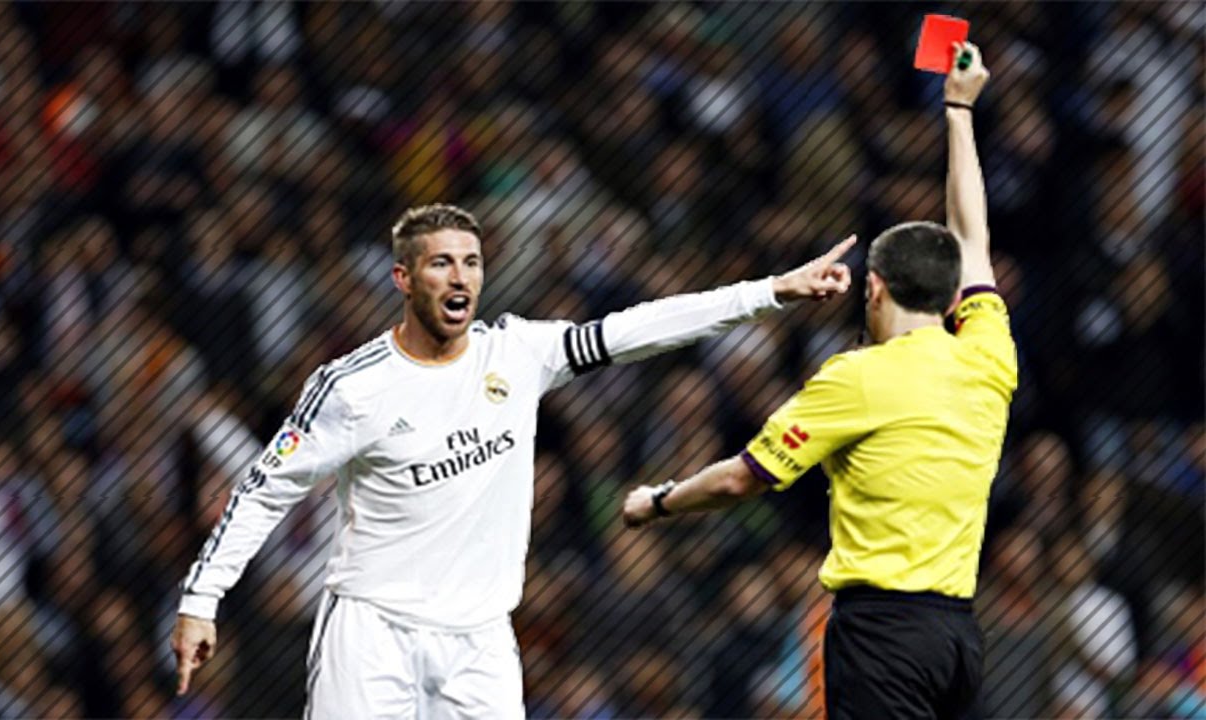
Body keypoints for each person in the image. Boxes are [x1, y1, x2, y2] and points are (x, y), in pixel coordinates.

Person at [170, 202, 856, 718]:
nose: (460, 276)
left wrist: (769, 293)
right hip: (372, 632)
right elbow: (263, 489)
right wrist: (202, 599)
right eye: (441, 263)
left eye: (471, 262)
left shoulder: (518, 353)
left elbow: (637, 328)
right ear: (403, 278)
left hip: (479, 640)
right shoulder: (353, 388)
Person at [622, 42, 1013, 720]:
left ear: (874, 288)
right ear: (954, 295)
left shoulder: (858, 376)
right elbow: (973, 237)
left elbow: (742, 479)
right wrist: (958, 110)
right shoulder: (989, 351)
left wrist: (657, 502)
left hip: (881, 636)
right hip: (957, 638)